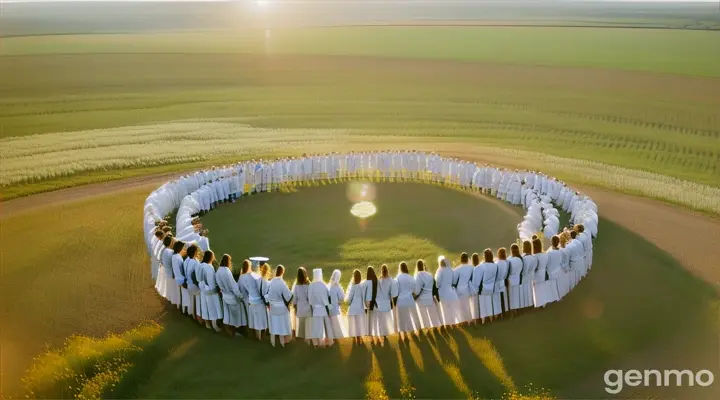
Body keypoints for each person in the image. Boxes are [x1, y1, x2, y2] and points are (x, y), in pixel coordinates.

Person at [215, 254, 246, 337]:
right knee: (237, 316)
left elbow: (219, 283)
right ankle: (236, 332)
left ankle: (229, 330)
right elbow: (233, 286)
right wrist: (240, 296)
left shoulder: (218, 271)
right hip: (232, 297)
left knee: (229, 314)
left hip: (225, 296)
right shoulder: (227, 271)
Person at [266, 265, 293, 347]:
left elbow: (268, 295)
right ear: (282, 272)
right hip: (281, 308)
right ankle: (282, 343)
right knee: (281, 325)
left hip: (273, 308)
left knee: (273, 324)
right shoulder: (282, 283)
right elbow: (289, 295)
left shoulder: (271, 282)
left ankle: (273, 342)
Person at [239, 259, 267, 341]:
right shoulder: (255, 277)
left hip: (250, 300)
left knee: (254, 319)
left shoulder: (243, 277)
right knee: (260, 319)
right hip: (258, 301)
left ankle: (255, 335)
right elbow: (260, 289)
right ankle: (260, 337)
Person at [199, 250, 223, 332]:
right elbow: (211, 281)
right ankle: (215, 326)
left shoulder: (201, 265)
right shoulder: (209, 267)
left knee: (205, 307)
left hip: (203, 290)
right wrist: (216, 289)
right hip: (210, 291)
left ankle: (207, 324)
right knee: (213, 308)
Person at [395, 262, 421, 339]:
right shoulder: (410, 277)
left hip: (400, 301)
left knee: (403, 318)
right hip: (410, 300)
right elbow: (416, 291)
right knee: (414, 316)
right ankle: (415, 331)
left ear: (400, 268)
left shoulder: (397, 278)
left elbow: (395, 291)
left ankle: (405, 334)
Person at [308, 268, 333, 348]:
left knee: (317, 327)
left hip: (316, 309)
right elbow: (328, 296)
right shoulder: (323, 285)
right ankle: (329, 342)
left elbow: (310, 299)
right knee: (327, 326)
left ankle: (318, 343)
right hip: (324, 309)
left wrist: (313, 305)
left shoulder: (311, 285)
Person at [414, 259, 442, 329]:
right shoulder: (430, 275)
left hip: (421, 299)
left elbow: (417, 291)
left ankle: (427, 328)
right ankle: (436, 327)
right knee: (432, 314)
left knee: (423, 315)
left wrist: (414, 296)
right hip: (430, 298)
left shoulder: (418, 275)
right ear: (423, 266)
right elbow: (434, 287)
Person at [532, 238, 558, 308]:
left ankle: (538, 303)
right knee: (543, 288)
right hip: (543, 273)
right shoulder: (545, 255)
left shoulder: (534, 257)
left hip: (536, 274)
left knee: (537, 289)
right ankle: (544, 303)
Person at [435, 256, 459, 327]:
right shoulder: (451, 270)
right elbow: (454, 281)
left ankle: (448, 325)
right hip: (451, 292)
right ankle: (453, 323)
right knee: (452, 309)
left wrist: (438, 286)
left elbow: (437, 283)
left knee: (445, 310)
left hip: (443, 293)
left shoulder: (440, 271)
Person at [345, 269, 367, 343]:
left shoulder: (353, 287)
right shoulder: (362, 286)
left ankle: (355, 337)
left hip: (353, 308)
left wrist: (348, 302)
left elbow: (350, 298)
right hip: (360, 308)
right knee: (359, 323)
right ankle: (359, 337)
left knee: (353, 323)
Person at [453, 253, 474, 325]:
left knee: (461, 306)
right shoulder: (471, 268)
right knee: (467, 305)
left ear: (461, 259)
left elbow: (454, 281)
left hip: (459, 289)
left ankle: (463, 321)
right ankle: (469, 320)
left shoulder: (457, 269)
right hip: (467, 289)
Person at [292, 267, 311, 344]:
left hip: (300, 306)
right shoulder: (309, 284)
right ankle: (308, 337)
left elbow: (294, 297)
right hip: (308, 306)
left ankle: (302, 337)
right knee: (308, 323)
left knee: (301, 323)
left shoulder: (296, 286)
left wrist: (294, 305)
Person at [479, 249, 498, 322]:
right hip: (492, 287)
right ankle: (491, 318)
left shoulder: (482, 266)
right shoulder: (495, 265)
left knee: (483, 304)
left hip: (484, 287)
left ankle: (483, 319)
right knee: (490, 303)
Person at [546, 236, 568, 300]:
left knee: (551, 286)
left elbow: (547, 263)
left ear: (551, 242)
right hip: (558, 270)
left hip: (551, 272)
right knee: (557, 285)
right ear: (558, 242)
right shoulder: (561, 251)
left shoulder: (549, 252)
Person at [327, 269, 346, 340]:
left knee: (330, 322)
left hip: (329, 307)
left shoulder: (328, 285)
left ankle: (331, 335)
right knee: (336, 322)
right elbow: (342, 296)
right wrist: (339, 302)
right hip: (335, 307)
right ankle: (336, 336)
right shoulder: (337, 286)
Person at [171, 241, 189, 315]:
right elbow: (182, 270)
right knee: (185, 296)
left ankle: (180, 307)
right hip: (181, 279)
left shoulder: (174, 256)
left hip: (177, 278)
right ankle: (185, 311)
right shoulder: (179, 258)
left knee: (180, 295)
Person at [507, 244, 524, 314]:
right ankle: (517, 309)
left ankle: (512, 310)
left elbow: (509, 270)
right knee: (516, 295)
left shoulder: (510, 260)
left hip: (511, 279)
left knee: (511, 296)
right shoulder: (520, 259)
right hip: (517, 279)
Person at [520, 240, 537, 309]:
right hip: (532, 275)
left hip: (525, 276)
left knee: (525, 291)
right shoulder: (534, 257)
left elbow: (524, 270)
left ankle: (526, 304)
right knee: (531, 290)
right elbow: (535, 267)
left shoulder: (524, 258)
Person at [494, 248, 510, 316]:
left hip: (499, 282)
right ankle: (506, 310)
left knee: (500, 298)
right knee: (506, 296)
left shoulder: (497, 263)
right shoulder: (508, 262)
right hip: (505, 280)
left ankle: (502, 313)